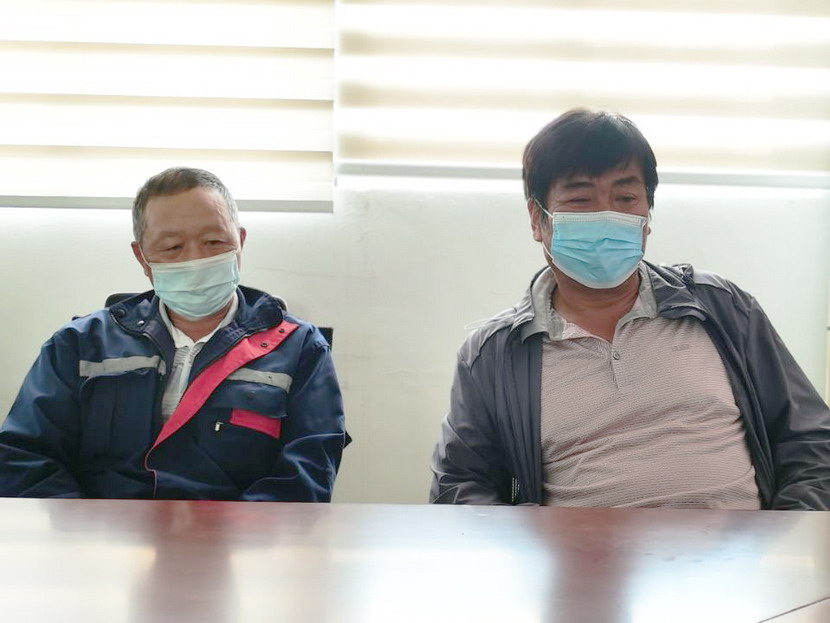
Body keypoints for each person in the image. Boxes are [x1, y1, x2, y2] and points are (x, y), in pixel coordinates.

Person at [430, 109, 830, 510]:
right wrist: (531, 542)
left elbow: (812, 442)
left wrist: (787, 532)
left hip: (738, 547)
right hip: (582, 552)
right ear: (538, 219)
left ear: (647, 216)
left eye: (625, 198)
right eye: (580, 199)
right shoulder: (495, 354)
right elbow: (459, 485)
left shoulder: (722, 309)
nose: (607, 216)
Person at [0, 167, 346, 501]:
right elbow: (24, 457)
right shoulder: (79, 345)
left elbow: (307, 474)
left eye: (214, 241)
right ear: (142, 257)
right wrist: (88, 532)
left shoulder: (299, 348)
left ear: (240, 242)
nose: (196, 260)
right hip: (103, 535)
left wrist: (235, 536)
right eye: (172, 247)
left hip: (238, 537)